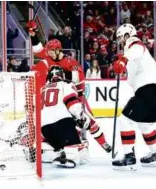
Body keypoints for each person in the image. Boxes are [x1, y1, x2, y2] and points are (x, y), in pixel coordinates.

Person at [26, 20, 112, 153]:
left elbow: (80, 80)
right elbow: (38, 49)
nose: (47, 53)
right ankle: (58, 144)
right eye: (47, 51)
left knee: (88, 120)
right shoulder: (48, 57)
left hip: (73, 96)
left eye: (50, 51)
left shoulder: (70, 61)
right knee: (63, 122)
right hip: (59, 98)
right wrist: (33, 33)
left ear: (57, 50)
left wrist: (61, 76)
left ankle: (104, 143)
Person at [111, 24, 156, 170]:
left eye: (120, 37)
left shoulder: (133, 43)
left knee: (125, 120)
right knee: (145, 124)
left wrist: (123, 59)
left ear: (126, 34)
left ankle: (129, 157)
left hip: (148, 87)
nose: (120, 41)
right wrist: (123, 62)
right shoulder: (131, 53)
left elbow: (138, 48)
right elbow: (131, 76)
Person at [41, 66, 89, 168]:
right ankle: (69, 155)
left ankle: (58, 151)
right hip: (62, 123)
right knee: (79, 149)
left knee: (56, 144)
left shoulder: (42, 89)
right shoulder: (66, 84)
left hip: (44, 128)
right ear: (62, 75)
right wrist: (80, 117)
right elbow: (72, 104)